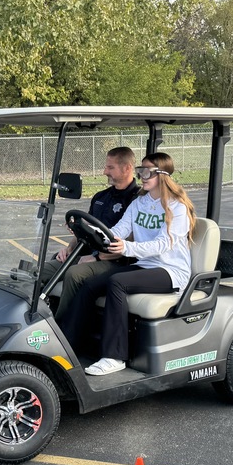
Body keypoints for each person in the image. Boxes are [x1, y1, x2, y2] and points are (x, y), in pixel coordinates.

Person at [56, 152, 197, 376]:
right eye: (140, 170)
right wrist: (91, 233)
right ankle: (66, 348)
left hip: (170, 271)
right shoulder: (140, 202)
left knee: (117, 282)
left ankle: (115, 356)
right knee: (90, 285)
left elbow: (162, 245)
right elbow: (118, 231)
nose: (141, 175)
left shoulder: (177, 207)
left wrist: (127, 248)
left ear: (163, 175)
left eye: (146, 171)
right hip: (144, 266)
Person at [40, 147, 139, 317]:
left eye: (110, 167)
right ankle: (33, 318)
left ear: (127, 168)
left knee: (74, 274)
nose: (104, 171)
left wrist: (97, 257)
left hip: (116, 260)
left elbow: (129, 243)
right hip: (86, 254)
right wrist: (68, 249)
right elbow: (86, 231)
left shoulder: (137, 200)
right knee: (38, 272)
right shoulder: (101, 197)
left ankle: (62, 328)